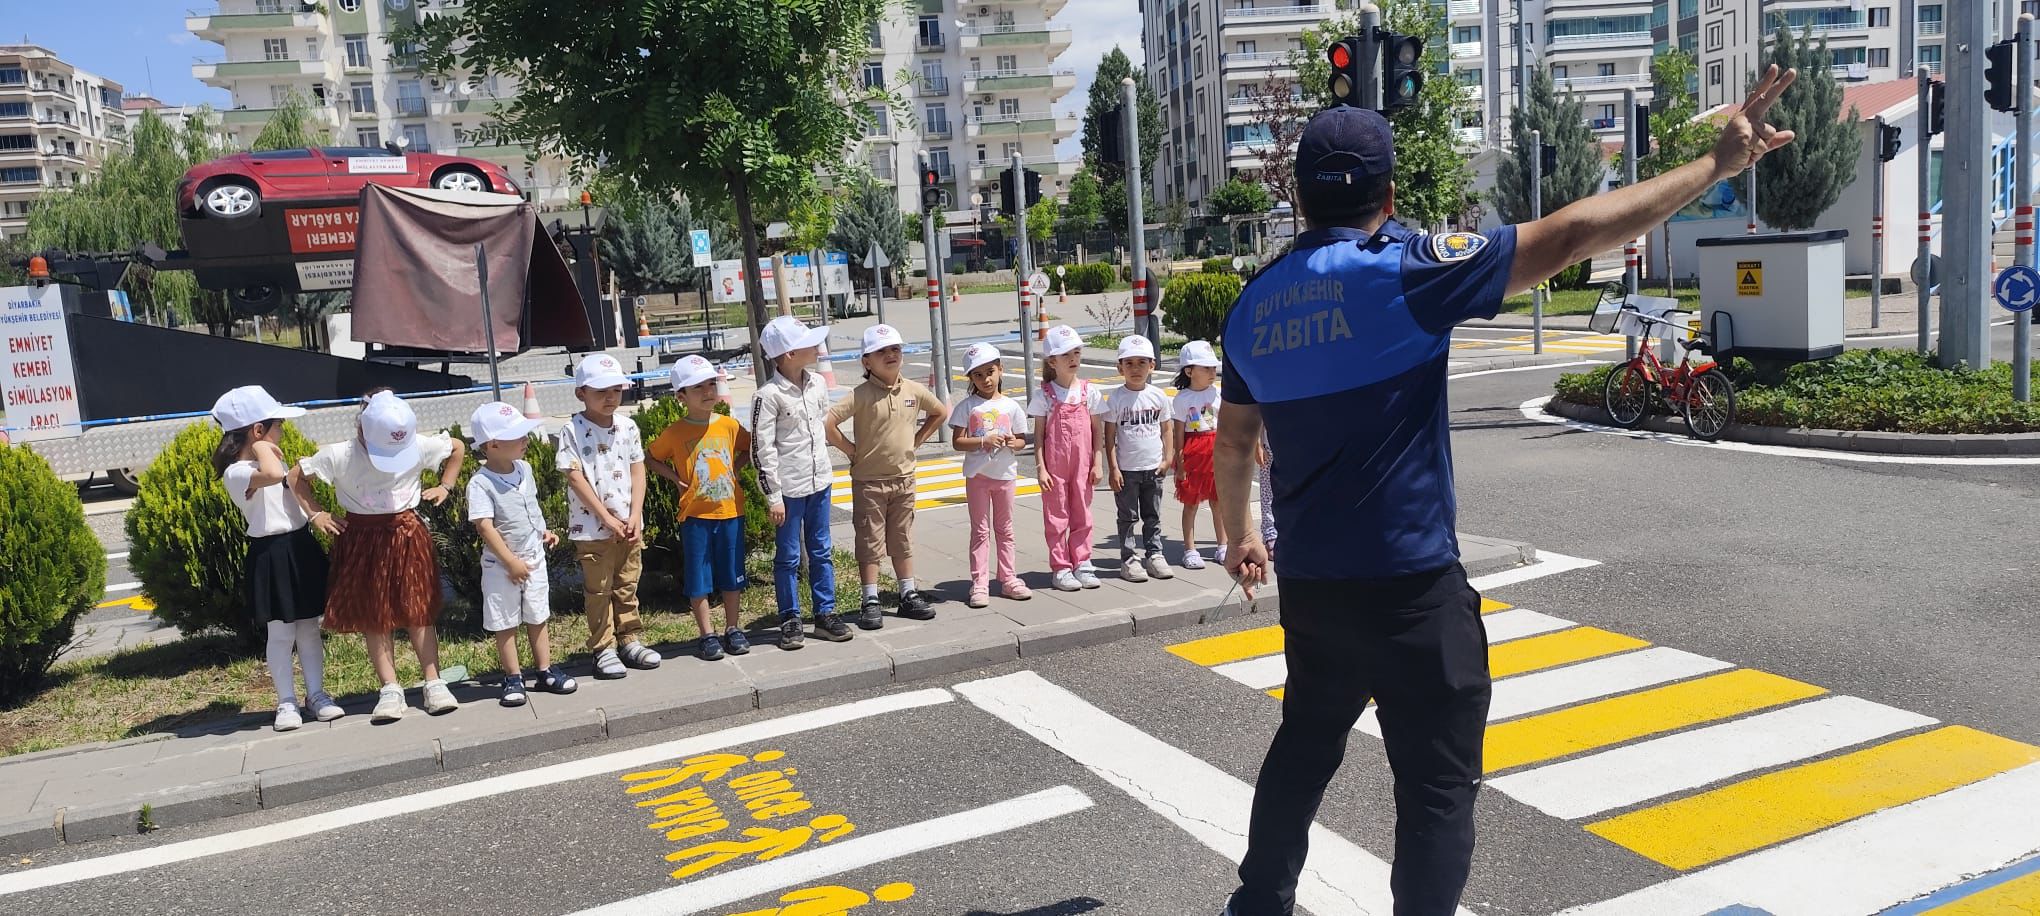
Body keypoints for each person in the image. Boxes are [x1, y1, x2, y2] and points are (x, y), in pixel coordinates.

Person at [1215, 68, 1800, 916]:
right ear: (1388, 190)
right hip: (1412, 591)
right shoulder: (1407, 272)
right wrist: (1714, 164)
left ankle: (1257, 904)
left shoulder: (1252, 304)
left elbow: (1235, 440)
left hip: (1313, 589)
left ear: (1299, 197)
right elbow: (1566, 237)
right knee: (1435, 789)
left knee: (1304, 746)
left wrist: (1239, 534)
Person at [292, 389, 466, 722]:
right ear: (361, 428)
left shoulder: (417, 444)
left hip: (407, 533)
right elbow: (296, 476)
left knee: (419, 610)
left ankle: (434, 681)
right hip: (361, 538)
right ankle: (390, 688)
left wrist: (446, 485)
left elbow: (456, 447)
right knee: (376, 614)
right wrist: (317, 514)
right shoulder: (339, 455)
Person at [209, 386, 339, 731]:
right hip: (270, 554)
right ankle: (286, 701)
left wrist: (316, 514)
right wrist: (266, 447)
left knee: (309, 628)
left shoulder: (272, 458)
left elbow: (287, 483)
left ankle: (317, 694)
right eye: (277, 424)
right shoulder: (236, 472)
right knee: (280, 634)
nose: (282, 430)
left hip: (298, 546)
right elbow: (272, 475)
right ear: (257, 430)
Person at [824, 324, 946, 628]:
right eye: (882, 351)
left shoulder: (913, 390)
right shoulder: (861, 395)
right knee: (869, 540)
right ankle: (870, 598)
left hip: (904, 479)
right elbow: (828, 422)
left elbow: (941, 412)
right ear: (867, 361)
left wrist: (918, 441)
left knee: (903, 537)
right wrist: (851, 450)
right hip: (869, 483)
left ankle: (908, 593)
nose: (891, 355)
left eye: (895, 349)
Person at [465, 401, 578, 707]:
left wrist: (543, 531)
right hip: (501, 564)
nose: (526, 441)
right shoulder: (480, 483)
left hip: (533, 557)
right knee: (506, 621)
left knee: (538, 614)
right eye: (518, 437)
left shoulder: (525, 469)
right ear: (492, 445)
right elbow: (485, 527)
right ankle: (513, 677)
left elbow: (530, 507)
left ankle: (544, 670)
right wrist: (510, 562)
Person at [557, 353, 660, 679]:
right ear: (581, 393)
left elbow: (638, 470)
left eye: (616, 389)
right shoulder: (571, 430)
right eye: (601, 391)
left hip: (629, 526)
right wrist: (606, 517)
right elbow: (575, 477)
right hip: (592, 528)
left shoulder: (628, 426)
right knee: (598, 590)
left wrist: (634, 514)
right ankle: (603, 647)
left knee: (627, 584)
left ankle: (630, 637)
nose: (610, 397)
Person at [750, 315, 848, 648]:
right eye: (808, 343)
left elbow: (822, 428)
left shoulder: (818, 383)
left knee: (821, 549)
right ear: (789, 354)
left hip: (820, 481)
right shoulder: (769, 395)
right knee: (788, 556)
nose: (817, 347)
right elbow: (761, 450)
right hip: (789, 489)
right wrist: (773, 496)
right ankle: (790, 619)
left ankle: (825, 613)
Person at [649, 356, 754, 661]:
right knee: (699, 578)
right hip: (695, 516)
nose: (708, 392)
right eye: (698, 388)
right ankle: (706, 634)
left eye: (711, 384)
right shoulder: (675, 432)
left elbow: (750, 446)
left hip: (731, 511)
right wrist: (675, 479)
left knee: (733, 573)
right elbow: (651, 457)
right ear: (681, 396)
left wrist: (736, 468)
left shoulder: (729, 425)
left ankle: (733, 628)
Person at [949, 341, 1032, 608]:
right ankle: (980, 583)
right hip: (978, 477)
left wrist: (1010, 442)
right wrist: (984, 441)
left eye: (990, 371)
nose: (985, 379)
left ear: (1000, 370)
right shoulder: (967, 407)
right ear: (971, 378)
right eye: (978, 374)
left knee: (1005, 529)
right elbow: (958, 442)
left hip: (1005, 475)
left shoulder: (1011, 405)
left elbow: (1021, 441)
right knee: (980, 530)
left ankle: (1008, 579)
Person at [1028, 324, 1106, 592]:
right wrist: (1041, 468)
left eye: (1076, 352)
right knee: (1057, 514)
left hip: (1083, 465)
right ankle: (1061, 567)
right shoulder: (1044, 396)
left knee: (1082, 513)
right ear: (1052, 361)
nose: (1073, 359)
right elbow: (1038, 437)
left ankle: (1082, 562)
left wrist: (1097, 461)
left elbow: (1098, 431)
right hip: (1055, 466)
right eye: (1065, 355)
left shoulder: (1089, 392)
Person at [1103, 335, 1175, 583]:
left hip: (1153, 468)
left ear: (1152, 365)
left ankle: (1154, 555)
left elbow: (1167, 429)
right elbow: (1109, 437)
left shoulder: (1158, 396)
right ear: (1119, 367)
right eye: (1129, 363)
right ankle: (1129, 559)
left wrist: (1168, 458)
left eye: (1142, 363)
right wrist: (1113, 469)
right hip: (1127, 470)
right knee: (1127, 516)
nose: (1135, 369)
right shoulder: (1116, 399)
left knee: (1152, 516)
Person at [1171, 340, 1226, 570]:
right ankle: (1190, 548)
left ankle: (1223, 545)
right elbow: (1178, 433)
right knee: (1191, 502)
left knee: (1218, 501)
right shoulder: (1182, 399)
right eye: (1206, 368)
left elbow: (1225, 424)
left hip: (1216, 450)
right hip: (1194, 451)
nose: (1212, 372)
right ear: (1189, 371)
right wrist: (1180, 461)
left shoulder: (1218, 393)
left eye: (1213, 367)